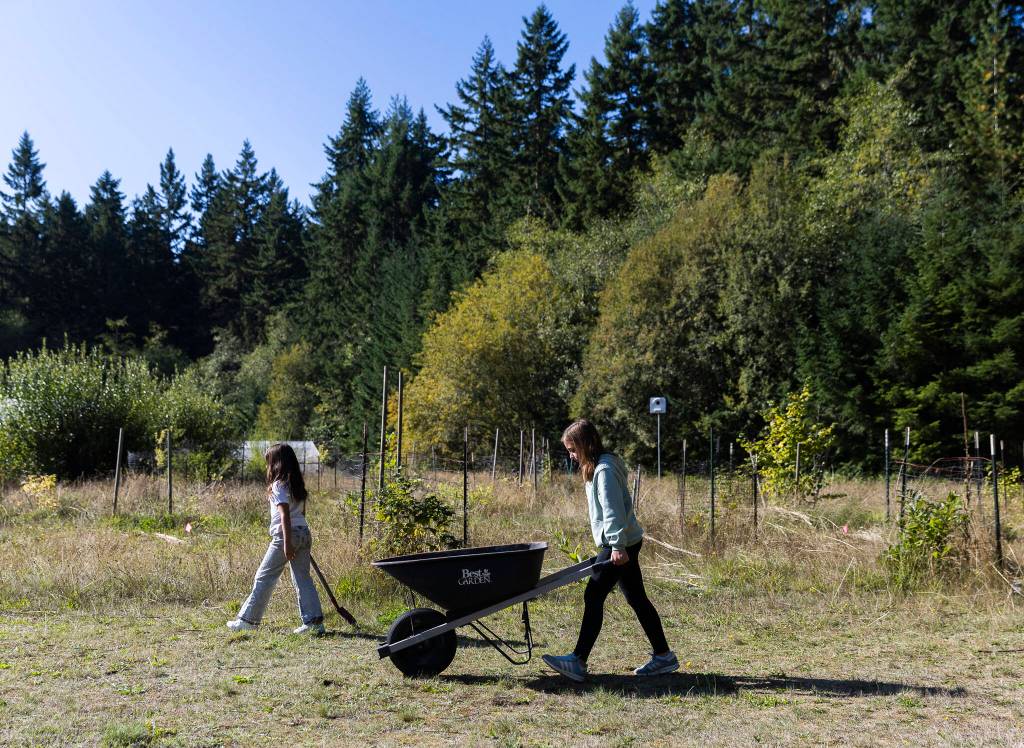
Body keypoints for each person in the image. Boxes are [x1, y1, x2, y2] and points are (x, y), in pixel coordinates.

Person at [542, 419, 677, 681]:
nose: (571, 456)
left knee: (593, 596)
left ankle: (578, 661)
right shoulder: (601, 465)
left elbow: (612, 510)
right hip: (625, 540)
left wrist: (616, 545)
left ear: (585, 445)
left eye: (572, 450)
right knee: (636, 598)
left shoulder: (603, 471)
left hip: (619, 543)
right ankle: (663, 656)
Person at [226, 443, 325, 635]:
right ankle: (314, 623)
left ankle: (248, 621)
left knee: (264, 577)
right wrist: (299, 540)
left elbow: (284, 515)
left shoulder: (278, 485)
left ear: (276, 464)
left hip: (285, 536)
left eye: (268, 462)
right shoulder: (296, 484)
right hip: (304, 532)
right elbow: (301, 513)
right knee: (303, 578)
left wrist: (288, 544)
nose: (267, 466)